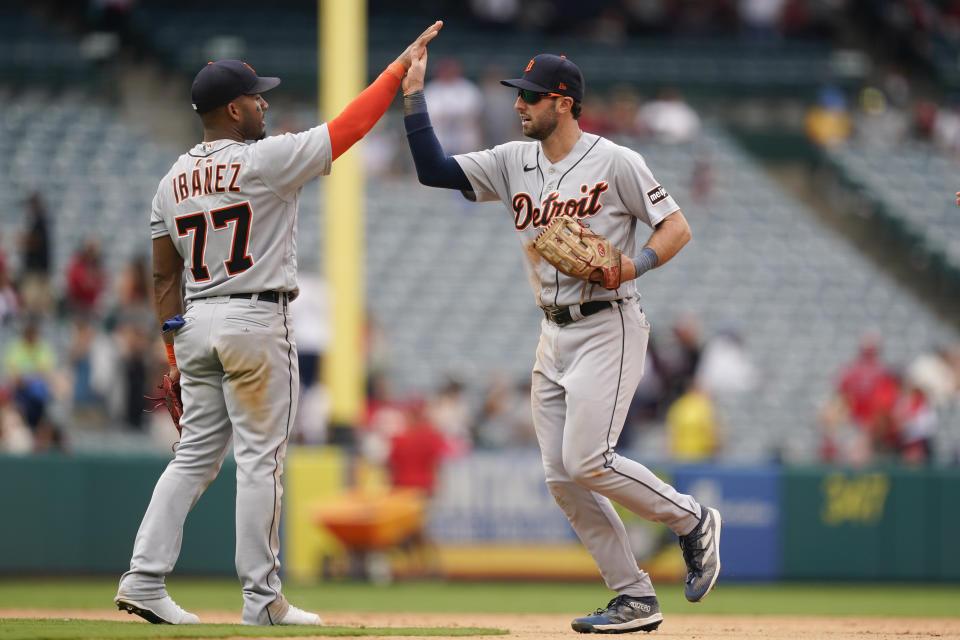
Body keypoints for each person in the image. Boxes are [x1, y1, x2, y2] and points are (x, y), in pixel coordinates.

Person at [114, 20, 443, 627]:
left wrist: (172, 353)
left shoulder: (169, 182)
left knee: (192, 458)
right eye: (257, 96)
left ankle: (143, 578)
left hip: (194, 322)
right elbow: (346, 130)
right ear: (234, 109)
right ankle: (262, 601)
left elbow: (163, 280)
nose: (265, 102)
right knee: (262, 460)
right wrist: (396, 73)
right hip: (255, 317)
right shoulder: (263, 158)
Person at [401, 51, 721, 634]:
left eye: (529, 95)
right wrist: (412, 96)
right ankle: (634, 597)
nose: (517, 104)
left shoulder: (616, 161)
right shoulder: (511, 160)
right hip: (552, 332)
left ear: (563, 102)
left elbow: (676, 226)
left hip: (609, 321)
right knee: (562, 479)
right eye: (518, 94)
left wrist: (636, 264)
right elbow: (434, 170)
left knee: (587, 459)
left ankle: (693, 520)